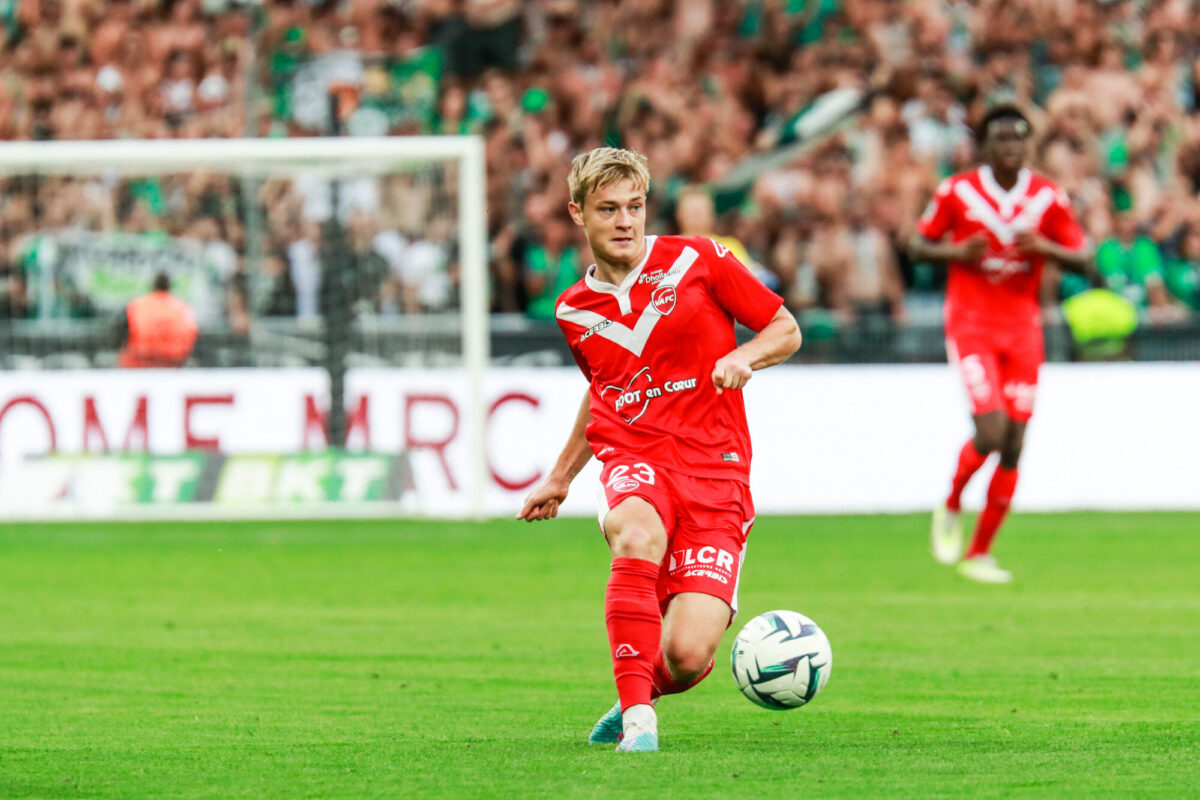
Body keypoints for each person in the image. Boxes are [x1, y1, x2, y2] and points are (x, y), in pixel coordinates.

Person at [517, 147, 801, 752]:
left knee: (688, 653)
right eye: (609, 209)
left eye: (636, 207)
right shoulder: (574, 309)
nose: (625, 221)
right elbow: (603, 393)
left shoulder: (700, 259)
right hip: (636, 457)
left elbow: (785, 329)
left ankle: (634, 694)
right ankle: (642, 723)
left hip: (717, 472)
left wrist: (741, 356)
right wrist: (561, 477)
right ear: (578, 214)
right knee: (636, 534)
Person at [909, 105, 1093, 584]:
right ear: (984, 146)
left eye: (1018, 140)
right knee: (989, 433)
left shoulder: (1047, 197)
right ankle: (951, 503)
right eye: (1000, 140)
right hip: (972, 323)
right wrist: (954, 252)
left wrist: (1047, 249)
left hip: (1023, 327)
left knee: (1014, 444)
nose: (1009, 147)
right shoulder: (957, 191)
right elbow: (916, 244)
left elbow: (1084, 256)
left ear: (1027, 146)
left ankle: (979, 553)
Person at [117, 272, 199, 368]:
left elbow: (122, 331)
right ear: (169, 287)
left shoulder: (137, 304)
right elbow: (193, 333)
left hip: (142, 360)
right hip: (174, 361)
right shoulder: (182, 306)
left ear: (153, 286)